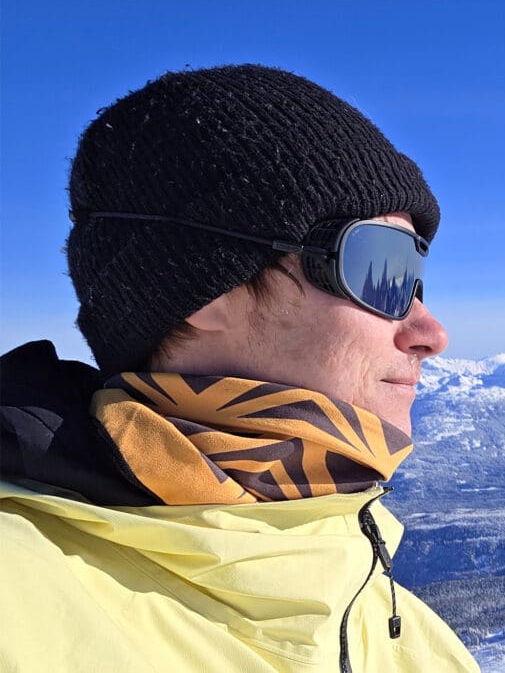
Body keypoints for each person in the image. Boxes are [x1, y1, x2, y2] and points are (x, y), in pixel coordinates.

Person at [0, 64, 479, 672]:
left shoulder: (402, 631)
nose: (431, 333)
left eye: (414, 276)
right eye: (379, 269)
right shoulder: (17, 601)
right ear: (203, 290)